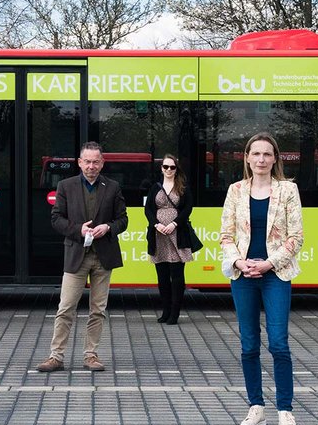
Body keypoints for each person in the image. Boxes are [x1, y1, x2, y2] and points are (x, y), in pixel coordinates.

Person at [220, 132, 304, 425]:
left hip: (275, 275)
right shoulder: (235, 191)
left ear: (275, 159)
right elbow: (226, 236)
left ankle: (285, 411)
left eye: (267, 154)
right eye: (255, 154)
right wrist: (241, 263)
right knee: (248, 344)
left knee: (279, 343)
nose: (261, 159)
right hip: (243, 276)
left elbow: (297, 237)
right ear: (246, 158)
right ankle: (256, 408)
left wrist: (269, 263)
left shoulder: (288, 191)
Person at [37, 142, 128, 373]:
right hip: (76, 254)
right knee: (65, 307)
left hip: (103, 257)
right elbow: (56, 219)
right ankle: (55, 356)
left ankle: (91, 355)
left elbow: (122, 220)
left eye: (95, 162)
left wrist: (108, 227)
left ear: (102, 163)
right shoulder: (65, 186)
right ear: (79, 163)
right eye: (87, 161)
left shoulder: (113, 186)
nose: (91, 166)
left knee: (98, 309)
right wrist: (78, 229)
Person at [145, 153, 203, 325]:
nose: (169, 170)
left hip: (178, 234)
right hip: (158, 234)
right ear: (161, 168)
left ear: (177, 169)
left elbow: (187, 208)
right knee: (162, 276)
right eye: (166, 167)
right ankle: (165, 311)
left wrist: (174, 224)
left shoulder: (183, 187)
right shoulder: (155, 187)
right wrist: (156, 224)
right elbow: (148, 209)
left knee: (177, 276)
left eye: (172, 167)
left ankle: (175, 313)